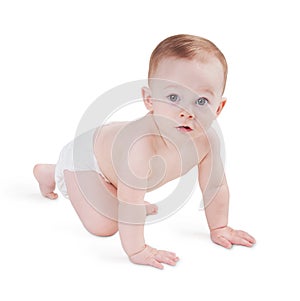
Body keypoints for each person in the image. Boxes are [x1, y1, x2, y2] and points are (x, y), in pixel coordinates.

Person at [33, 34, 256, 269]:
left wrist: (219, 226)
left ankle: (90, 183)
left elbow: (215, 186)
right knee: (104, 226)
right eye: (173, 97)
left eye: (201, 101)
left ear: (218, 108)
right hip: (87, 158)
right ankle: (54, 172)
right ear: (149, 100)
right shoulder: (140, 146)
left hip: (114, 163)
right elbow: (130, 204)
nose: (187, 112)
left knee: (129, 197)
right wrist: (137, 250)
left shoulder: (208, 140)